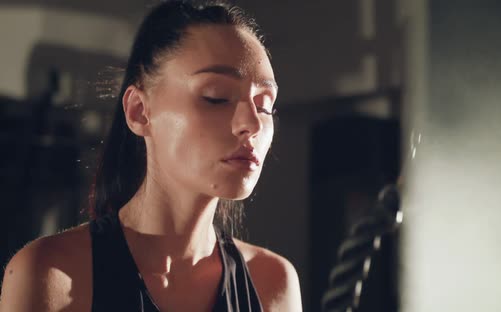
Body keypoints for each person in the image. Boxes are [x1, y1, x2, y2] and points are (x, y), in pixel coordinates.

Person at [0, 1, 302, 311]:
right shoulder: (53, 275)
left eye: (264, 105)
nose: (252, 124)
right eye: (217, 97)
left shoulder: (272, 283)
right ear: (140, 112)